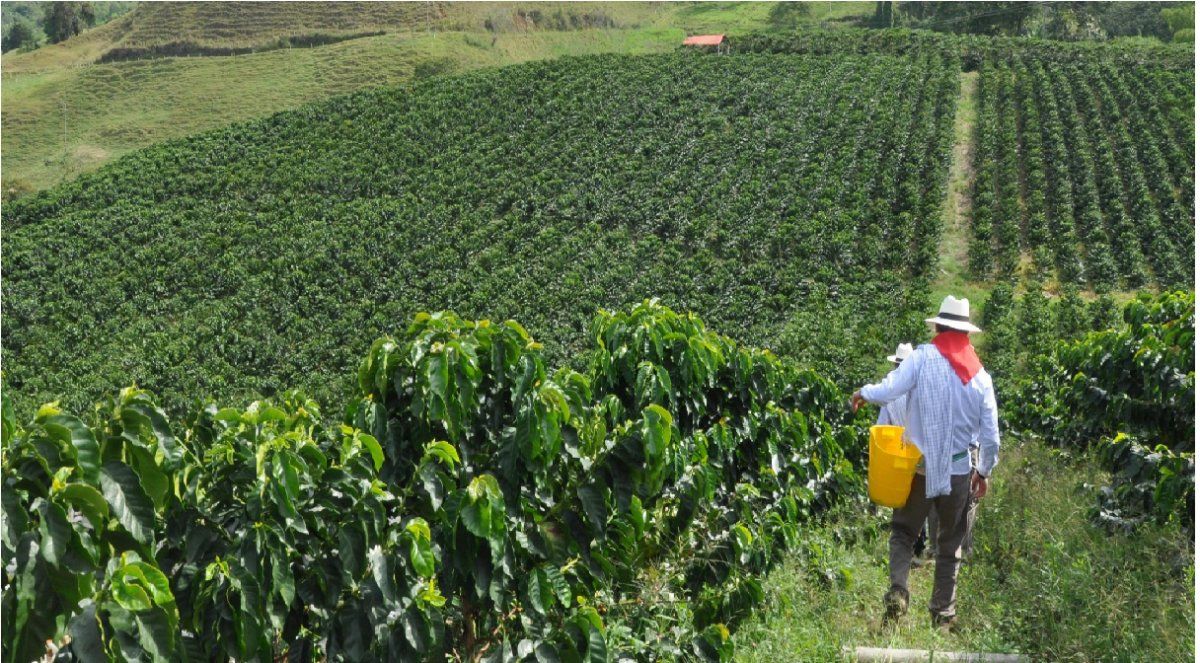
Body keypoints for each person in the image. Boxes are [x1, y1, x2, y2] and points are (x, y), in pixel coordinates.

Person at [851, 295, 1000, 632]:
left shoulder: (921, 358)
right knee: (950, 543)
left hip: (919, 468)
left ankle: (899, 591)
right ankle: (943, 617)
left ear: (939, 327)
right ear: (966, 335)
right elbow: (991, 436)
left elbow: (891, 389)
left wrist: (864, 392)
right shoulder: (980, 377)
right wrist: (985, 471)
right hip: (959, 471)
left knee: (904, 532)